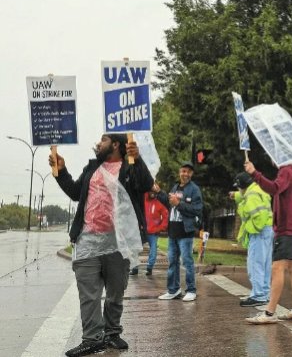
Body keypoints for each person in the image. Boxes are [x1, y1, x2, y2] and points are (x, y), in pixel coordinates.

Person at [51, 133, 153, 357]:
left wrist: (138, 159)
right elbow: (77, 193)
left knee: (115, 292)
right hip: (87, 240)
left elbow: (146, 184)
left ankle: (112, 333)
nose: (98, 143)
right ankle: (92, 339)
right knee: (88, 293)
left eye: (103, 140)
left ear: (116, 145)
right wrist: (61, 172)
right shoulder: (92, 168)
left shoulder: (130, 167)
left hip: (119, 242)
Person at [243, 159, 292, 324]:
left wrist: (254, 173)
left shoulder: (286, 171)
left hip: (287, 228)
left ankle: (270, 313)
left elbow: (274, 188)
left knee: (277, 267)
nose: (271, 158)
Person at [157, 161, 203, 302]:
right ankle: (173, 290)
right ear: (179, 172)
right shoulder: (175, 187)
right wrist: (158, 192)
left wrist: (180, 204)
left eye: (188, 172)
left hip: (185, 233)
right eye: (183, 171)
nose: (185, 174)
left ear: (191, 174)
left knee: (187, 261)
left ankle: (191, 290)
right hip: (173, 232)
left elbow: (197, 209)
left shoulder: (194, 190)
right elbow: (169, 203)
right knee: (172, 262)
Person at [231, 171, 274, 307]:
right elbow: (244, 196)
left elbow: (257, 216)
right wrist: (236, 196)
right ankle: (264, 293)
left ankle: (258, 295)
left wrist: (253, 230)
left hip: (258, 232)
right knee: (265, 265)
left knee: (255, 265)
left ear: (241, 186)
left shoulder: (250, 196)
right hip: (267, 230)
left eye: (238, 188)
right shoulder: (258, 189)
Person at [137, 183, 169, 276]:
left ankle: (149, 268)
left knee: (153, 250)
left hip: (153, 233)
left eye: (154, 191)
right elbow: (137, 213)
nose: (152, 193)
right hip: (142, 231)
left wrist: (160, 228)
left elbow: (165, 216)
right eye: (150, 190)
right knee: (135, 249)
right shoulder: (141, 202)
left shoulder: (159, 203)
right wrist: (139, 225)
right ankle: (134, 268)